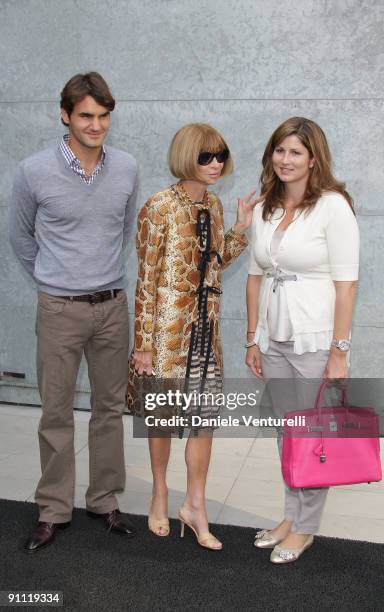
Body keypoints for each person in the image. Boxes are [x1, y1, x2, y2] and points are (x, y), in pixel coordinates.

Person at [10, 72, 139, 553]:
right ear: (65, 115)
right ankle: (53, 510)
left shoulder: (126, 167)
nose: (96, 124)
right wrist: (53, 278)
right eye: (86, 115)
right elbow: (22, 238)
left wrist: (98, 274)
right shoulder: (33, 170)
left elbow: (121, 233)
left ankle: (104, 500)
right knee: (56, 412)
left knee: (109, 409)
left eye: (104, 116)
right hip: (58, 310)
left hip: (112, 307)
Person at [128, 123, 256, 549]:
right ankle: (161, 492)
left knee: (204, 421)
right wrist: (143, 344)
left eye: (220, 154)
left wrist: (239, 229)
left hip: (206, 331)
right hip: (166, 334)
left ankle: (195, 505)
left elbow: (216, 261)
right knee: (162, 418)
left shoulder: (215, 206)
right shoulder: (158, 206)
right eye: (205, 156)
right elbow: (145, 281)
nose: (215, 163)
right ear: (187, 157)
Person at [245, 117, 359, 564]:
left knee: (314, 436)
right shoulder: (264, 208)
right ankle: (290, 517)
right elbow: (254, 278)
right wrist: (252, 339)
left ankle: (306, 528)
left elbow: (347, 286)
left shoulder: (333, 207)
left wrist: (339, 351)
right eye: (279, 150)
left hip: (315, 341)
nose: (285, 160)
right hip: (273, 338)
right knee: (286, 434)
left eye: (295, 152)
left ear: (314, 158)